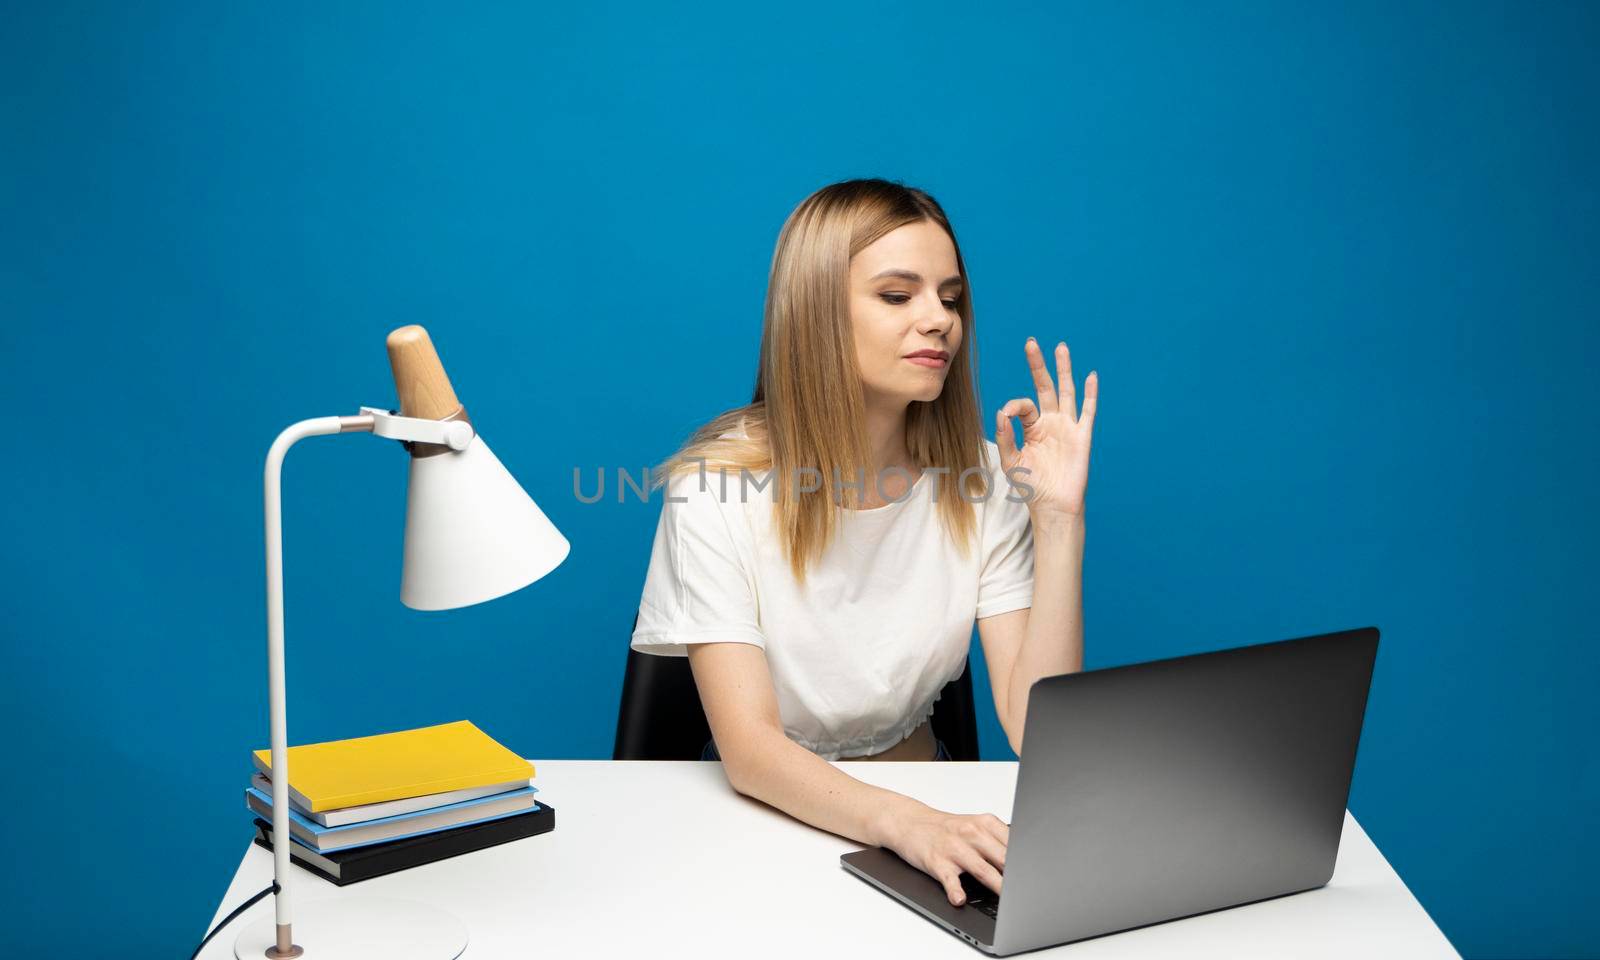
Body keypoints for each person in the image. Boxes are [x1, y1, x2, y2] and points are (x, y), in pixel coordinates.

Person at [629, 177, 1097, 908]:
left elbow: (1040, 729)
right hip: (760, 824)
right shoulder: (714, 486)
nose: (937, 320)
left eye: (950, 297)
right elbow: (751, 753)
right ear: (816, 314)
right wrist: (907, 825)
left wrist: (1059, 520)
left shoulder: (983, 475)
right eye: (896, 294)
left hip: (925, 813)